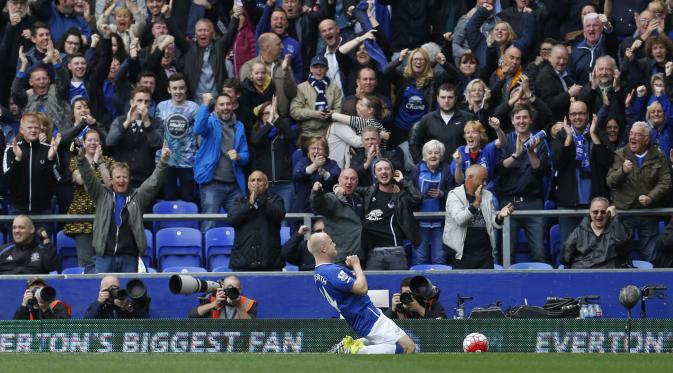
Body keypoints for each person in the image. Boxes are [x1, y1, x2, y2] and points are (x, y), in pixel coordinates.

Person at [308, 232, 416, 354]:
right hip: (368, 317)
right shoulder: (332, 271)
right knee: (409, 347)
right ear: (324, 249)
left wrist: (353, 274)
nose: (335, 244)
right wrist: (356, 265)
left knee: (389, 344)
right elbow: (362, 288)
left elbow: (344, 286)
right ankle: (355, 350)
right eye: (331, 242)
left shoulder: (318, 274)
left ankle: (352, 344)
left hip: (357, 319)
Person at [77, 141, 170, 273]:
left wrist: (163, 162)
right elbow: (89, 178)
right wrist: (81, 158)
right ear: (111, 179)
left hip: (130, 257)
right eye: (118, 177)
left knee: (128, 292)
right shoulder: (101, 194)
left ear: (129, 179)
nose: (121, 180)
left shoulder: (138, 197)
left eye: (124, 177)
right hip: (104, 257)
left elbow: (153, 182)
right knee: (103, 292)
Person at [606, 121, 672, 262]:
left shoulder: (659, 155)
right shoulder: (620, 154)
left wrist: (651, 197)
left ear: (647, 139)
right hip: (624, 212)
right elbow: (610, 181)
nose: (632, 137)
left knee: (651, 255)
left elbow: (666, 181)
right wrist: (622, 171)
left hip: (647, 212)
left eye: (637, 134)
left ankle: (652, 282)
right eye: (631, 134)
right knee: (622, 254)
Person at [494, 103, 551, 263]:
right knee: (507, 254)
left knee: (539, 252)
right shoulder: (504, 140)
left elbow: (541, 171)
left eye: (525, 117)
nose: (521, 121)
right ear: (512, 121)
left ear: (531, 120)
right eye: (517, 117)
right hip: (508, 203)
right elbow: (498, 170)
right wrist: (516, 155)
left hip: (533, 203)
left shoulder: (540, 141)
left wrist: (531, 152)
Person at [193, 93, 250, 232]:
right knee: (208, 224)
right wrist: (205, 105)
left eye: (228, 104)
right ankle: (206, 253)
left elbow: (246, 154)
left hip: (234, 186)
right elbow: (198, 129)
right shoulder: (211, 122)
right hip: (213, 184)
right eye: (222, 104)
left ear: (233, 106)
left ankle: (238, 253)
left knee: (241, 224)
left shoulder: (239, 126)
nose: (225, 107)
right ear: (216, 108)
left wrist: (239, 157)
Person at [444, 165, 514, 269]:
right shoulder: (454, 195)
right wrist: (476, 204)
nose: (485, 183)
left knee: (487, 285)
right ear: (470, 177)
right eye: (483, 180)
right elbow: (459, 219)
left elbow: (493, 222)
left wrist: (499, 216)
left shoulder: (487, 195)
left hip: (485, 255)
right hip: (462, 255)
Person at [64, 129, 113, 273]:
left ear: (101, 143)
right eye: (89, 140)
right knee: (85, 261)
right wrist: (91, 163)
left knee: (104, 259)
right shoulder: (76, 161)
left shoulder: (109, 161)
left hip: (104, 215)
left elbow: (110, 184)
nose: (93, 143)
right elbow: (81, 179)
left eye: (96, 140)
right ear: (84, 143)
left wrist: (101, 161)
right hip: (83, 217)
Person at [361, 159, 422, 270]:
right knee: (374, 287)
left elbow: (417, 198)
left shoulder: (400, 196)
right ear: (375, 175)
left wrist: (403, 181)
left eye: (387, 168)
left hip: (395, 251)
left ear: (393, 173)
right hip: (372, 252)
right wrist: (337, 187)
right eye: (379, 169)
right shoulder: (368, 193)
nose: (383, 172)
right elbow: (350, 187)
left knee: (399, 287)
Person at [106, 86, 164, 189]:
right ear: (132, 102)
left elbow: (158, 144)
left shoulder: (156, 123)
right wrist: (127, 123)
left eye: (146, 101)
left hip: (145, 179)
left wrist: (147, 122)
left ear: (150, 104)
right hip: (121, 178)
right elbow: (109, 142)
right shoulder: (120, 121)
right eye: (139, 101)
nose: (143, 104)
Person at [228, 171, 286, 271]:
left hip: (270, 263)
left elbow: (279, 215)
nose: (256, 183)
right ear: (248, 185)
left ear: (266, 184)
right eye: (252, 180)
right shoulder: (239, 201)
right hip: (243, 263)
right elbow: (232, 219)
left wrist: (261, 201)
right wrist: (249, 205)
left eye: (259, 180)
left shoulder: (275, 199)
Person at [3, 113, 59, 216]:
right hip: (17, 210)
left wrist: (50, 160)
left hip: (44, 210)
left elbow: (56, 181)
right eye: (30, 127)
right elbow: (6, 181)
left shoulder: (49, 149)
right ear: (21, 130)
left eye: (36, 128)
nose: (33, 130)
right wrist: (17, 159)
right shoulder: (11, 150)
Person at [155, 73, 199, 201]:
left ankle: (189, 222)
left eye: (181, 88)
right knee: (168, 197)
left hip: (188, 160)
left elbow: (198, 134)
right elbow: (158, 133)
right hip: (166, 160)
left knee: (188, 198)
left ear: (185, 89)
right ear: (169, 90)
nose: (178, 91)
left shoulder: (194, 107)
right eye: (174, 88)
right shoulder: (161, 107)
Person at [408, 140, 453, 265]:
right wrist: (417, 196)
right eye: (430, 153)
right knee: (419, 259)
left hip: (440, 223)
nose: (433, 156)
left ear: (441, 155)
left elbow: (455, 192)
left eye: (437, 153)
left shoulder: (447, 170)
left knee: (439, 259)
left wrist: (442, 194)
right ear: (425, 155)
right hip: (420, 223)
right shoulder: (416, 170)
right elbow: (408, 193)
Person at [409, 83, 474, 164]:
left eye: (450, 97)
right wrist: (421, 163)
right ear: (437, 98)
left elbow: (478, 142)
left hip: (461, 167)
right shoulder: (427, 119)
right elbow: (414, 143)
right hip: (435, 170)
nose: (446, 101)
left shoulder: (468, 118)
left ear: (456, 99)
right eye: (443, 97)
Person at [310, 168, 364, 264]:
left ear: (357, 181)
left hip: (359, 258)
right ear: (339, 180)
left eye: (353, 179)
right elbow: (319, 204)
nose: (349, 182)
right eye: (346, 178)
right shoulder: (332, 198)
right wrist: (316, 192)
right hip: (340, 259)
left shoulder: (360, 199)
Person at [561, 197, 630, 269]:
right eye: (595, 212)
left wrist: (615, 218)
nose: (599, 215)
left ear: (609, 213)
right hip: (583, 274)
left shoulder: (617, 228)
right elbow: (565, 258)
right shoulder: (578, 232)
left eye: (603, 212)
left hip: (609, 274)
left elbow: (623, 247)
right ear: (590, 212)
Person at [290, 55, 343, 142]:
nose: (319, 70)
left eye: (322, 67)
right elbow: (294, 111)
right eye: (315, 67)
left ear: (327, 69)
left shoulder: (334, 88)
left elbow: (340, 109)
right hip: (308, 133)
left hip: (329, 133)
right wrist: (313, 113)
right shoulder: (301, 88)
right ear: (311, 69)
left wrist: (331, 113)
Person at [292, 137, 340, 213]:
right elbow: (296, 175)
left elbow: (336, 178)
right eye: (313, 148)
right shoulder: (303, 162)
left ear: (325, 152)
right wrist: (314, 166)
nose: (316, 151)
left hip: (325, 209)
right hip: (303, 208)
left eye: (320, 149)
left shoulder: (332, 164)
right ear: (309, 150)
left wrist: (324, 173)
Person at [188, 275, 257, 319]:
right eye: (229, 288)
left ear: (240, 290)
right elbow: (192, 316)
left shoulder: (248, 303)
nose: (231, 291)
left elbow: (251, 328)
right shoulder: (213, 299)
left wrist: (239, 306)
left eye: (235, 289)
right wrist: (214, 304)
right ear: (223, 288)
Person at [83, 276, 149, 319]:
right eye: (110, 289)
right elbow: (85, 324)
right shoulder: (97, 306)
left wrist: (128, 307)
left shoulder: (126, 304)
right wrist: (99, 303)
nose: (113, 292)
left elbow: (147, 321)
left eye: (116, 288)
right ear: (101, 291)